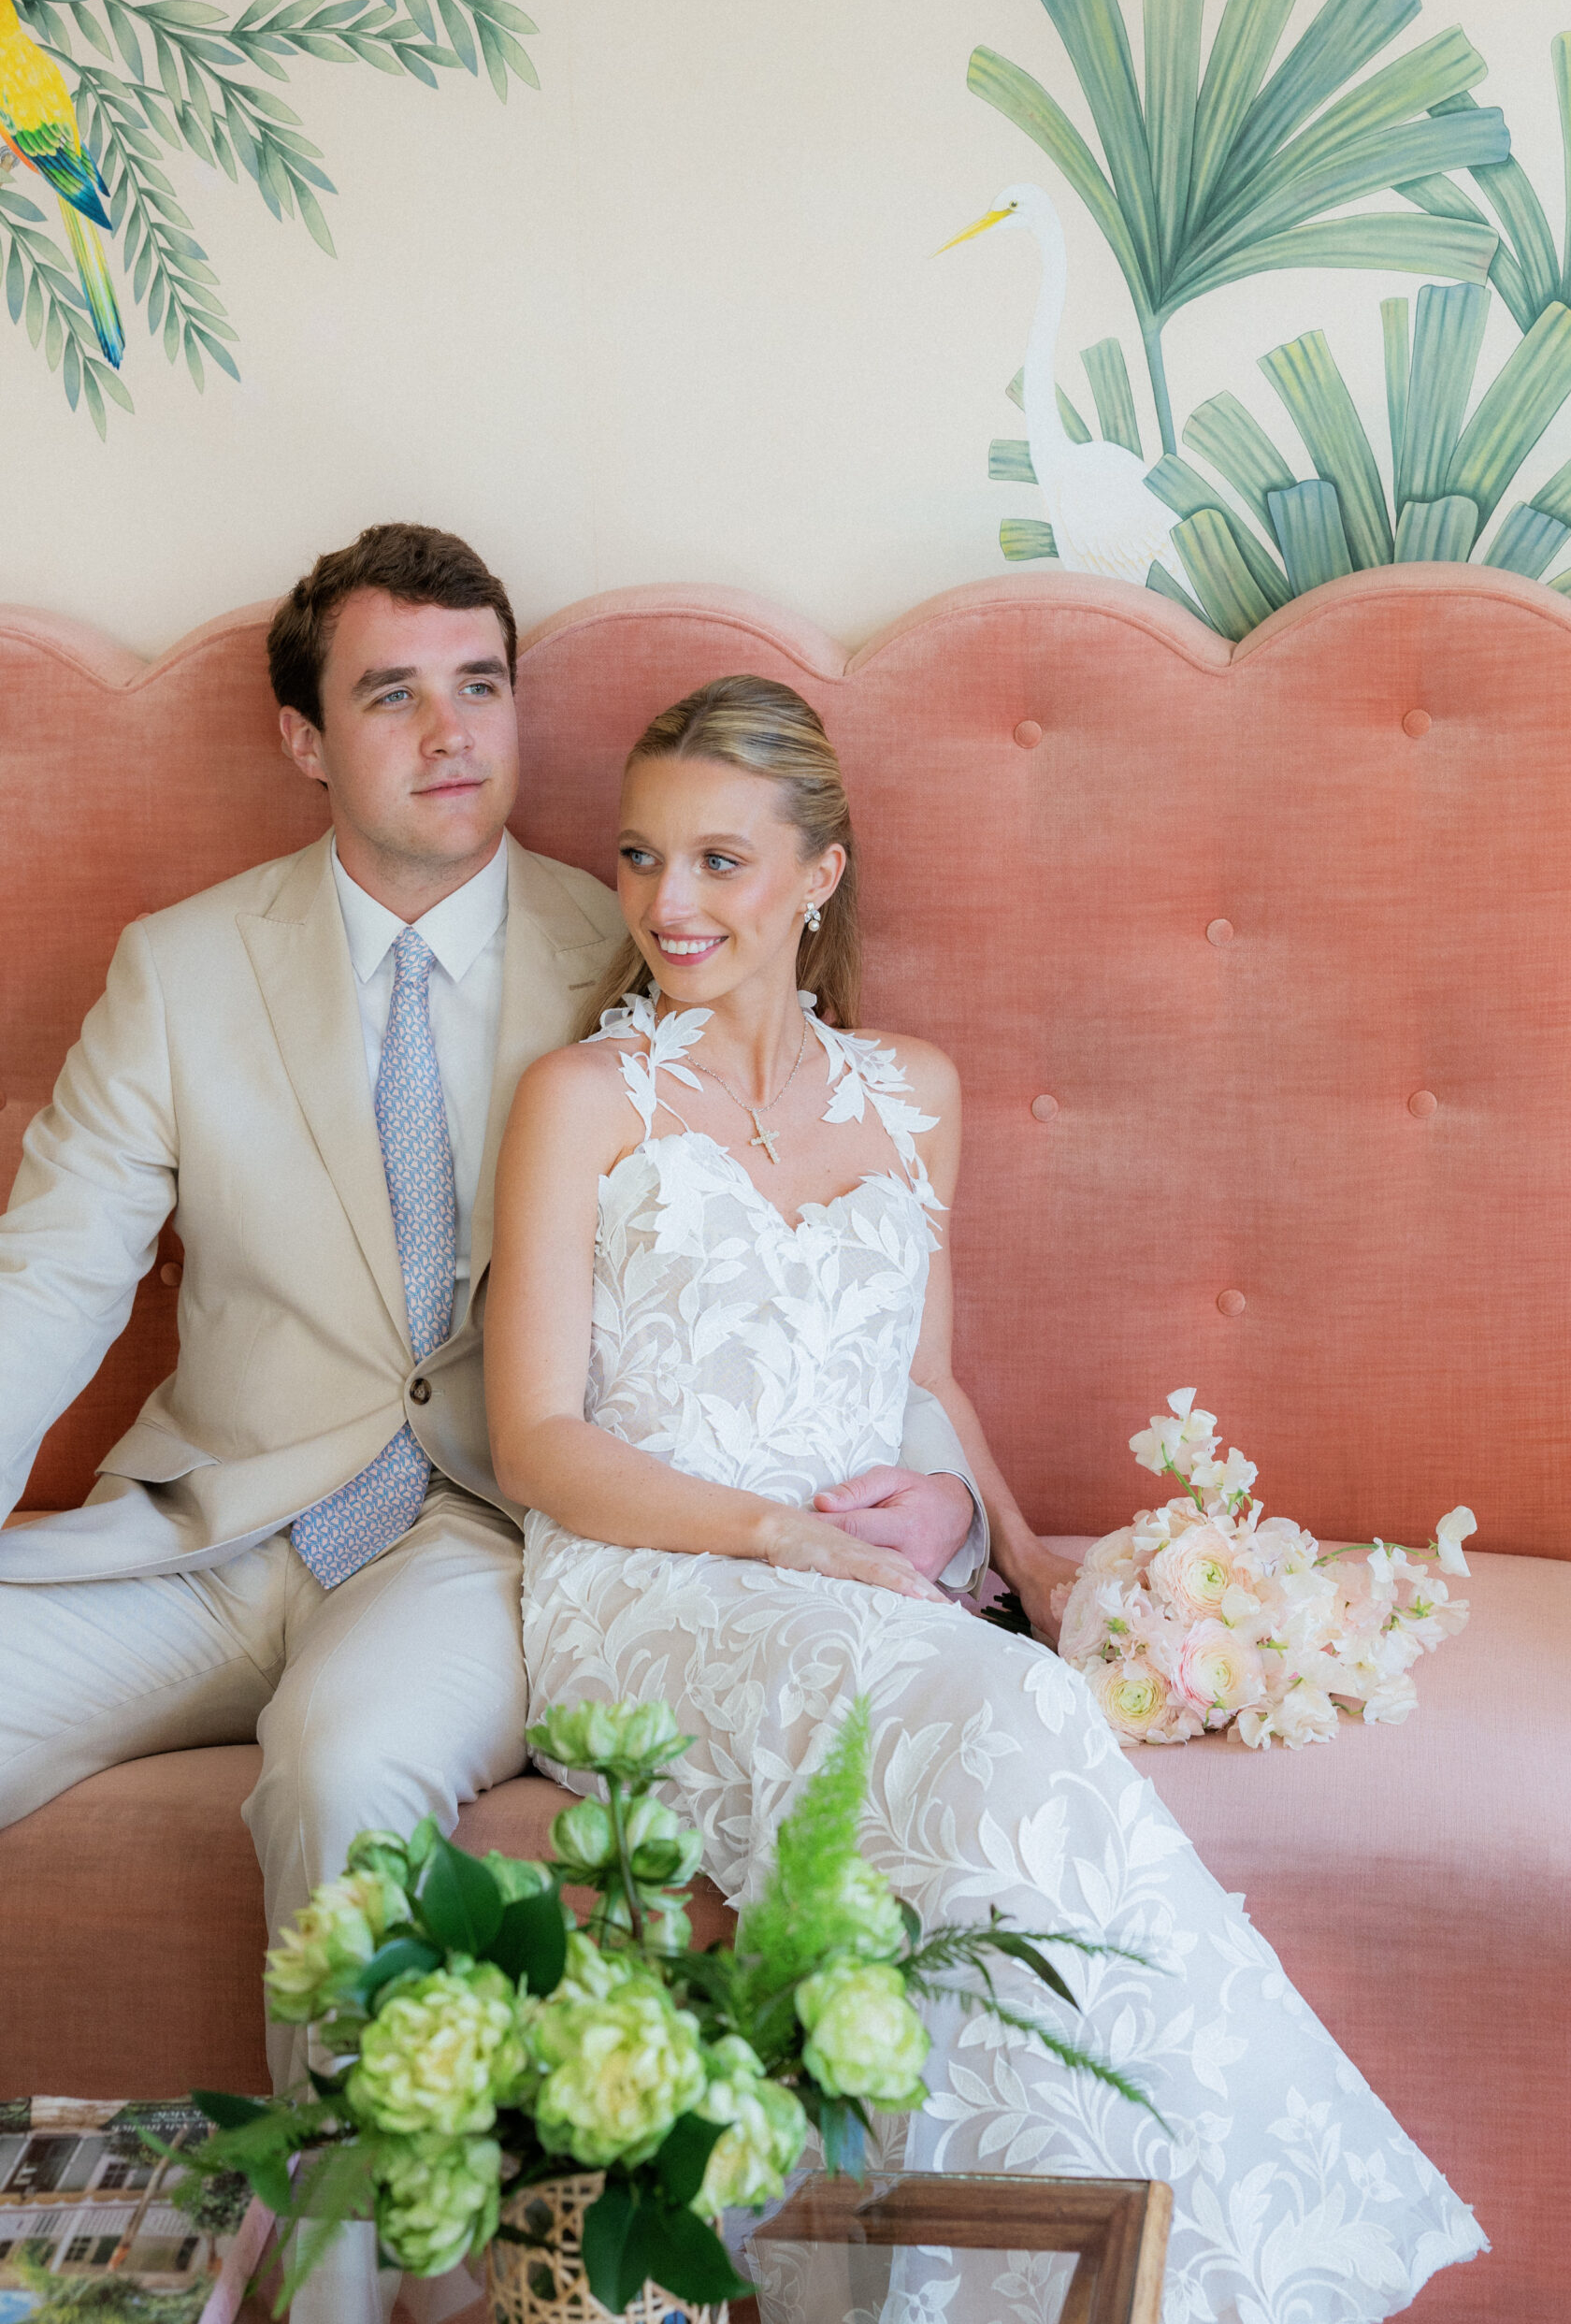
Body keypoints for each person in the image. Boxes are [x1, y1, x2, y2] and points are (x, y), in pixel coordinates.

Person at [0, 530, 989, 2324]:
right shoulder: (181, 966)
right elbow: (47, 1280)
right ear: (306, 739)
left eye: (484, 686)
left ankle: (340, 2297)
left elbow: (819, 1257)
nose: (454, 734)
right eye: (393, 693)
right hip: (208, 1527)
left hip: (477, 1543)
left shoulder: (639, 941)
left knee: (342, 1769)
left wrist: (959, 1519)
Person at [486, 673, 1487, 2324]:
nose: (670, 905)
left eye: (722, 863)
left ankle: (1080, 2274)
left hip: (864, 1585)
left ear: (819, 875)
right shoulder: (583, 1099)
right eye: (642, 859)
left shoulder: (911, 1094)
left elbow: (925, 1380)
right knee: (1002, 1723)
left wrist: (1017, 1551)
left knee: (1015, 1709)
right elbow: (531, 1436)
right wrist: (780, 1536)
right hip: (653, 1578)